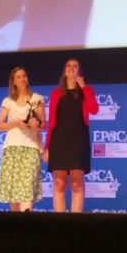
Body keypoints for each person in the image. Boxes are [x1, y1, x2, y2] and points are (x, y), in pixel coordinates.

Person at [43, 59, 99, 212]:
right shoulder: (56, 93)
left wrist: (84, 86)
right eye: (68, 65)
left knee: (76, 184)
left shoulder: (85, 91)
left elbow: (94, 109)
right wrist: (47, 146)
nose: (71, 68)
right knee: (59, 184)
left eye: (75, 66)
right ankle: (60, 223)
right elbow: (52, 122)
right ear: (64, 71)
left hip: (78, 141)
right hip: (59, 141)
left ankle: (75, 223)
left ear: (79, 72)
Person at [0, 66, 46, 212]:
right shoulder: (8, 101)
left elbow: (43, 125)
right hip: (11, 148)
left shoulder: (37, 99)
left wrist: (34, 124)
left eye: (24, 75)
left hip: (30, 147)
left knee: (27, 187)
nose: (22, 78)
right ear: (13, 81)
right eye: (19, 77)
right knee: (13, 190)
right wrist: (16, 124)